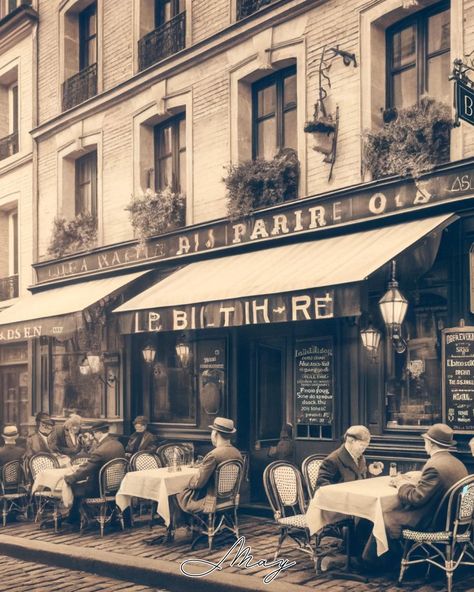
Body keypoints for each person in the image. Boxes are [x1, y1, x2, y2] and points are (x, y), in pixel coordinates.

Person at [383, 423, 468, 541]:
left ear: (431, 444)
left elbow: (415, 498)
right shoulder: (458, 463)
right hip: (454, 522)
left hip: (435, 524)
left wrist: (401, 483)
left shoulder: (434, 467)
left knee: (386, 516)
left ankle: (385, 559)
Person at [176, 417, 242, 516]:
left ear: (215, 434)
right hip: (229, 499)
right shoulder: (237, 453)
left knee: (174, 493)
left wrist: (184, 483)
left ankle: (182, 528)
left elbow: (199, 484)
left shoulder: (213, 455)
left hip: (211, 502)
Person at [64, 421, 125, 525]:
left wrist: (70, 478)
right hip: (116, 486)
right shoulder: (118, 444)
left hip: (99, 489)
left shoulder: (100, 450)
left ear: (99, 433)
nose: (93, 436)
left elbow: (87, 469)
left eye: (94, 433)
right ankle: (89, 515)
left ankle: (74, 519)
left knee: (74, 486)